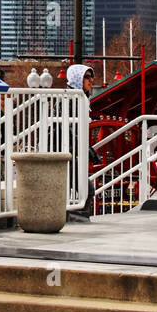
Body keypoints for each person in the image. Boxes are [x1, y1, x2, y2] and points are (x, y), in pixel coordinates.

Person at [64, 64, 96, 223]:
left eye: (91, 77)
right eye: (86, 77)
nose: (91, 80)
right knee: (87, 188)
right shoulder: (70, 99)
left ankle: (76, 216)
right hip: (64, 151)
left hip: (72, 151)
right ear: (77, 79)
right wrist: (82, 146)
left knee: (85, 187)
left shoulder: (81, 98)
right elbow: (67, 127)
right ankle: (76, 217)